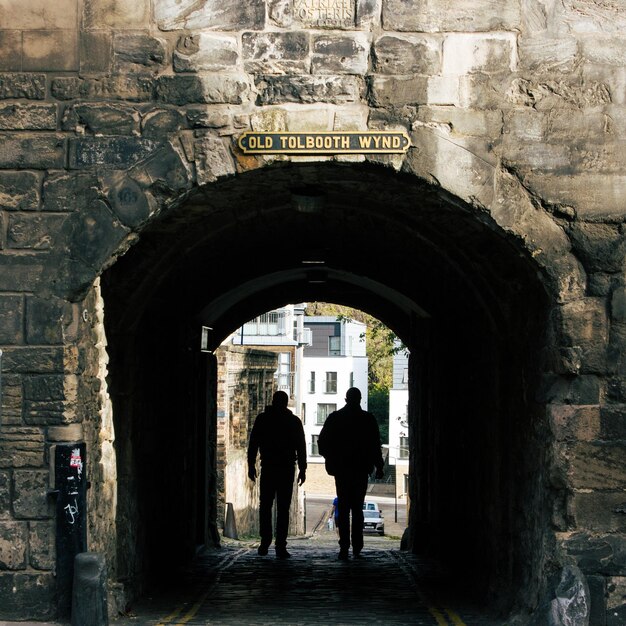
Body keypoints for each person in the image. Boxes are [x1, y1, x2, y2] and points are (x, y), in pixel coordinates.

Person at [318, 387, 384, 560]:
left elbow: (322, 442)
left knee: (345, 507)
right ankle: (357, 545)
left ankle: (344, 546)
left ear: (346, 399)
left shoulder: (335, 418)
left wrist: (331, 458)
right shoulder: (368, 419)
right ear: (360, 399)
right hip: (361, 469)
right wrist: (379, 466)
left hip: (342, 470)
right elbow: (375, 444)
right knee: (357, 508)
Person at [247, 390, 307, 558]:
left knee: (265, 506)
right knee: (283, 508)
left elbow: (253, 443)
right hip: (286, 468)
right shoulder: (293, 421)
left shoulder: (263, 419)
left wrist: (251, 465)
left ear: (273, 401)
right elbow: (301, 446)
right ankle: (280, 545)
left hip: (269, 467)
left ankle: (265, 542)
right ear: (286, 403)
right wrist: (302, 468)